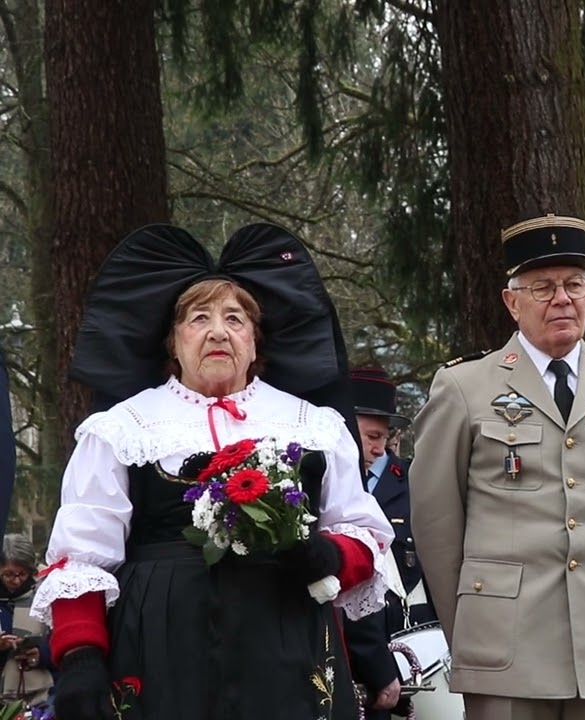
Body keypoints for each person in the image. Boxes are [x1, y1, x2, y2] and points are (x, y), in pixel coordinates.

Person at [33, 224, 394, 720]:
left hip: (287, 641)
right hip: (160, 644)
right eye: (198, 318)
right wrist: (80, 657)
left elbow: (364, 532)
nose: (218, 331)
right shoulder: (124, 427)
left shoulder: (313, 425)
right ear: (174, 341)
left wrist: (324, 554)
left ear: (254, 339)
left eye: (235, 318)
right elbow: (83, 553)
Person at [409, 213, 585, 720]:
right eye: (542, 287)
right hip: (505, 646)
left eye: (572, 285)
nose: (561, 299)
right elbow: (436, 521)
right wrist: (472, 633)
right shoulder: (463, 388)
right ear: (511, 302)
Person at [344, 365, 430, 719]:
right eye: (371, 437)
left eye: (384, 437)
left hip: (406, 644)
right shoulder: (335, 487)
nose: (380, 448)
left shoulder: (412, 480)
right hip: (351, 653)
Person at [0, 535, 54, 708]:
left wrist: (42, 652)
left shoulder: (49, 589)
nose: (16, 581)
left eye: (22, 574)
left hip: (44, 694)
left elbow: (65, 641)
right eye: (8, 574)